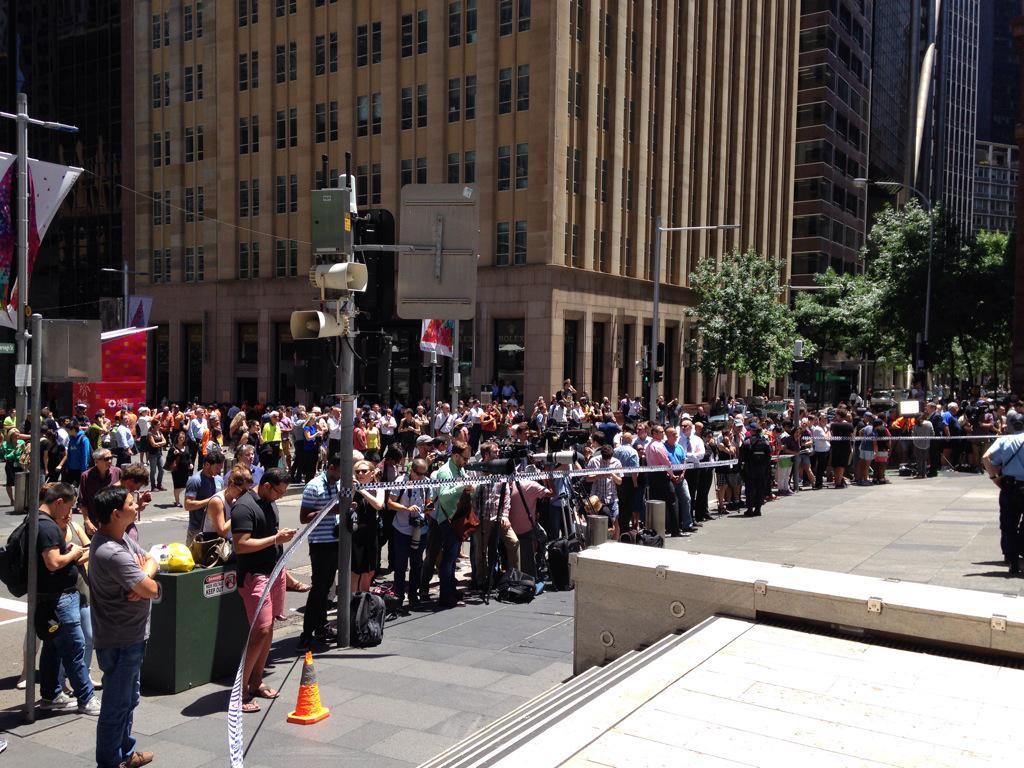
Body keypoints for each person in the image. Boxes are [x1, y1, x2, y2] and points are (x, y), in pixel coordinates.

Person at [89, 486, 160, 768]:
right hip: (121, 640)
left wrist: (143, 574)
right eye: (132, 503)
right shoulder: (112, 552)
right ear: (116, 513)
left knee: (128, 700)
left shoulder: (121, 540)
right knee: (116, 707)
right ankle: (109, 762)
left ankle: (125, 753)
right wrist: (146, 583)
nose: (137, 505)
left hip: (130, 636)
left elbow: (154, 557)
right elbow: (152, 588)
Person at [231, 468, 295, 713]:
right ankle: (240, 691)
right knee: (259, 630)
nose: (280, 497)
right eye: (278, 492)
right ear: (267, 485)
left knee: (267, 630)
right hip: (254, 576)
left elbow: (270, 535)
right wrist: (276, 539)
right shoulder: (244, 507)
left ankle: (256, 681)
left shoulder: (270, 503)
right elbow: (241, 545)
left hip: (273, 571)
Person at [35, 483, 100, 714]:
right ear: (59, 502)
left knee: (53, 647)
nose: (70, 512)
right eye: (69, 506)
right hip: (60, 597)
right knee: (74, 648)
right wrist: (73, 554)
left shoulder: (38, 522)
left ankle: (51, 695)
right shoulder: (48, 527)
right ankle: (86, 699)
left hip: (53, 597)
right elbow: (53, 562)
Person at [297, 456, 341, 649]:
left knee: (326, 588)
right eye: (340, 471)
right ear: (331, 467)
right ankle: (306, 632)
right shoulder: (314, 486)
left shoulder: (340, 484)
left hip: (336, 541)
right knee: (318, 589)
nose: (341, 475)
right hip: (320, 543)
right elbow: (304, 517)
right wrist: (330, 510)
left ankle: (320, 626)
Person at [430, 440, 473, 608]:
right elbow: (444, 495)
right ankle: (445, 595)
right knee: (448, 559)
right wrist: (462, 486)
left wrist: (469, 487)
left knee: (452, 558)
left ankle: (450, 589)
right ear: (456, 456)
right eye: (465, 458)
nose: (466, 462)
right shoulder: (445, 472)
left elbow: (464, 484)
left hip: (457, 517)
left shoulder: (459, 468)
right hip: (447, 519)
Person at [983, 413, 1024, 575]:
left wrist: (994, 478)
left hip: (1010, 486)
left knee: (1009, 525)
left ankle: (1013, 562)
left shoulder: (1004, 440)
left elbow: (986, 458)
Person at [388, 458, 431, 612]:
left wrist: (428, 508)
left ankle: (414, 596)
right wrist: (406, 509)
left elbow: (430, 500)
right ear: (411, 470)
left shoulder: (427, 481)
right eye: (418, 474)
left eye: (423, 474)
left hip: (421, 529)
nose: (421, 477)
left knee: (417, 563)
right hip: (402, 529)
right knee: (400, 566)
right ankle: (398, 598)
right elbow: (390, 502)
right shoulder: (401, 481)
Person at [351, 459, 385, 593]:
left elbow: (378, 505)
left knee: (368, 571)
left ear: (371, 473)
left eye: (364, 471)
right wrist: (355, 488)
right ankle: (351, 603)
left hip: (371, 533)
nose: (360, 473)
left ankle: (363, 601)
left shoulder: (378, 487)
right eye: (357, 471)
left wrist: (362, 490)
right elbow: (345, 504)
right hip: (355, 533)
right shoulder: (351, 487)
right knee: (355, 571)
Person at [184, 453, 226, 543]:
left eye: (220, 468)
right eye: (217, 468)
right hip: (197, 529)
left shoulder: (219, 480)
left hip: (214, 528)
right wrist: (212, 500)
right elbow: (188, 505)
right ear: (207, 465)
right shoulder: (195, 480)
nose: (219, 471)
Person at [78, 449, 121, 536]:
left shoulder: (117, 472)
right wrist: (87, 521)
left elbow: (125, 496)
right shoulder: (86, 476)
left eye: (111, 458)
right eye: (106, 459)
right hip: (94, 523)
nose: (110, 461)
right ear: (96, 461)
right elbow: (83, 501)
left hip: (114, 523)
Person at [203, 466, 252, 539]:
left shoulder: (235, 500)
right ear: (232, 485)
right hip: (215, 546)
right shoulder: (217, 501)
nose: (245, 494)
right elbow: (221, 532)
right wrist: (238, 513)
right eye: (243, 491)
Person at [739, 422, 772, 516]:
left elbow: (741, 458)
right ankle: (758, 509)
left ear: (753, 431)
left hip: (750, 470)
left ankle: (749, 509)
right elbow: (769, 456)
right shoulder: (765, 442)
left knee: (750, 490)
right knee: (760, 489)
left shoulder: (747, 442)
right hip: (762, 470)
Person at [828, 409, 854, 489]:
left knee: (836, 465)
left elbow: (831, 435)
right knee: (841, 465)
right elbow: (851, 436)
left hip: (835, 446)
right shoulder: (850, 425)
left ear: (839, 415)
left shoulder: (833, 425)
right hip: (845, 447)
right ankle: (839, 481)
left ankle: (838, 481)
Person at [166, 431, 192, 506]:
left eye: (183, 438)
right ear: (177, 438)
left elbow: (188, 457)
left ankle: (177, 498)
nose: (181, 439)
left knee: (185, 485)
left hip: (185, 470)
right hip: (176, 470)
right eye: (180, 437)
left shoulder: (186, 447)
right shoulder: (173, 448)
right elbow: (168, 459)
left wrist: (190, 463)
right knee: (177, 486)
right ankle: (177, 501)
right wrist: (174, 454)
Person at [62, 421, 92, 486]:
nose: (67, 432)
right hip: (71, 469)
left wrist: (83, 470)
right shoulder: (71, 439)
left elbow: (85, 456)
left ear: (73, 430)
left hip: (79, 470)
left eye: (68, 430)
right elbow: (69, 454)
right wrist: (67, 466)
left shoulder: (84, 439)